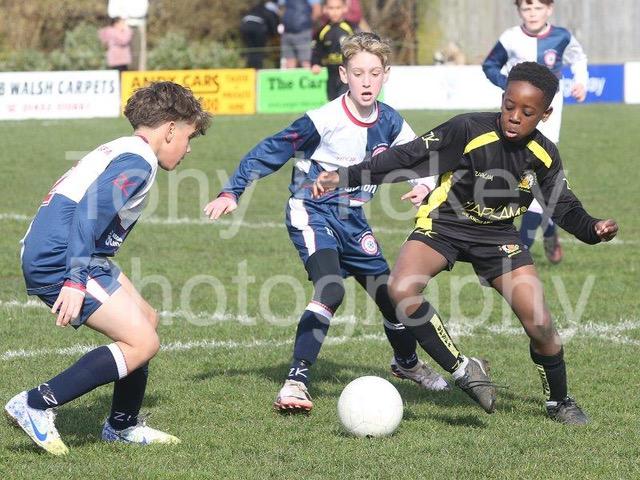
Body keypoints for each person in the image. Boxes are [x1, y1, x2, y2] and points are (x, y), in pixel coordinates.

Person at [313, 62, 618, 425]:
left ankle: (559, 401)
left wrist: (593, 228)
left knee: (540, 323)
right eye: (509, 106)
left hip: (498, 236)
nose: (514, 117)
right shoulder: (467, 129)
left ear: (545, 114)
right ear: (502, 99)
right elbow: (409, 155)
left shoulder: (544, 155)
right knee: (401, 289)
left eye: (527, 112)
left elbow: (563, 206)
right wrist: (346, 175)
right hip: (444, 225)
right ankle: (463, 369)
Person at [204, 32, 447, 414]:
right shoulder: (324, 120)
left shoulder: (390, 121)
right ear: (343, 74)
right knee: (331, 288)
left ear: (386, 75)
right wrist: (231, 191)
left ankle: (407, 364)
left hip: (353, 221)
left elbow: (422, 158)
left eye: (374, 73)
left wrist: (422, 186)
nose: (366, 82)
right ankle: (295, 382)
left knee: (392, 298)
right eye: (358, 73)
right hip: (311, 212)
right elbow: (271, 148)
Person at [4, 82, 210, 455]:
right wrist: (74, 280)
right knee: (143, 342)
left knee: (146, 319)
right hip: (61, 257)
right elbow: (88, 212)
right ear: (169, 129)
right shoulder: (139, 160)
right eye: (189, 136)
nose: (189, 148)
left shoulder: (125, 148)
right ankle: (35, 403)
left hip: (71, 250)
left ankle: (121, 426)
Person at [482, 0, 589, 264]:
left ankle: (520, 251)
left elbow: (579, 58)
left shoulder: (562, 37)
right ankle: (549, 230)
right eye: (527, 9)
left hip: (549, 117)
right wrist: (508, 85)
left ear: (549, 9)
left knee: (535, 171)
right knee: (523, 173)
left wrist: (581, 81)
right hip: (517, 115)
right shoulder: (510, 38)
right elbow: (490, 65)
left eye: (538, 8)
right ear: (519, 11)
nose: (532, 14)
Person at [311, 0, 356, 101]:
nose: (334, 12)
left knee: (345, 101)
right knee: (332, 101)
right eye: (331, 8)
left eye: (338, 8)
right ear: (325, 9)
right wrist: (315, 63)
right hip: (331, 73)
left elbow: (359, 48)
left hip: (347, 74)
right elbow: (317, 49)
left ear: (344, 8)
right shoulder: (322, 30)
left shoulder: (351, 28)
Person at [279, 0, 322, 68]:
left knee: (306, 62)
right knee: (289, 63)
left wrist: (307, 24)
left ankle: (307, 75)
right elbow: (281, 9)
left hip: (304, 32)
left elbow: (317, 11)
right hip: (287, 32)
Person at [240, 1, 281, 69]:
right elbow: (273, 27)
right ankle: (256, 70)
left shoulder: (257, 8)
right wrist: (274, 35)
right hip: (257, 28)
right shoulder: (270, 11)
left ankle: (250, 68)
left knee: (251, 50)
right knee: (258, 51)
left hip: (245, 26)